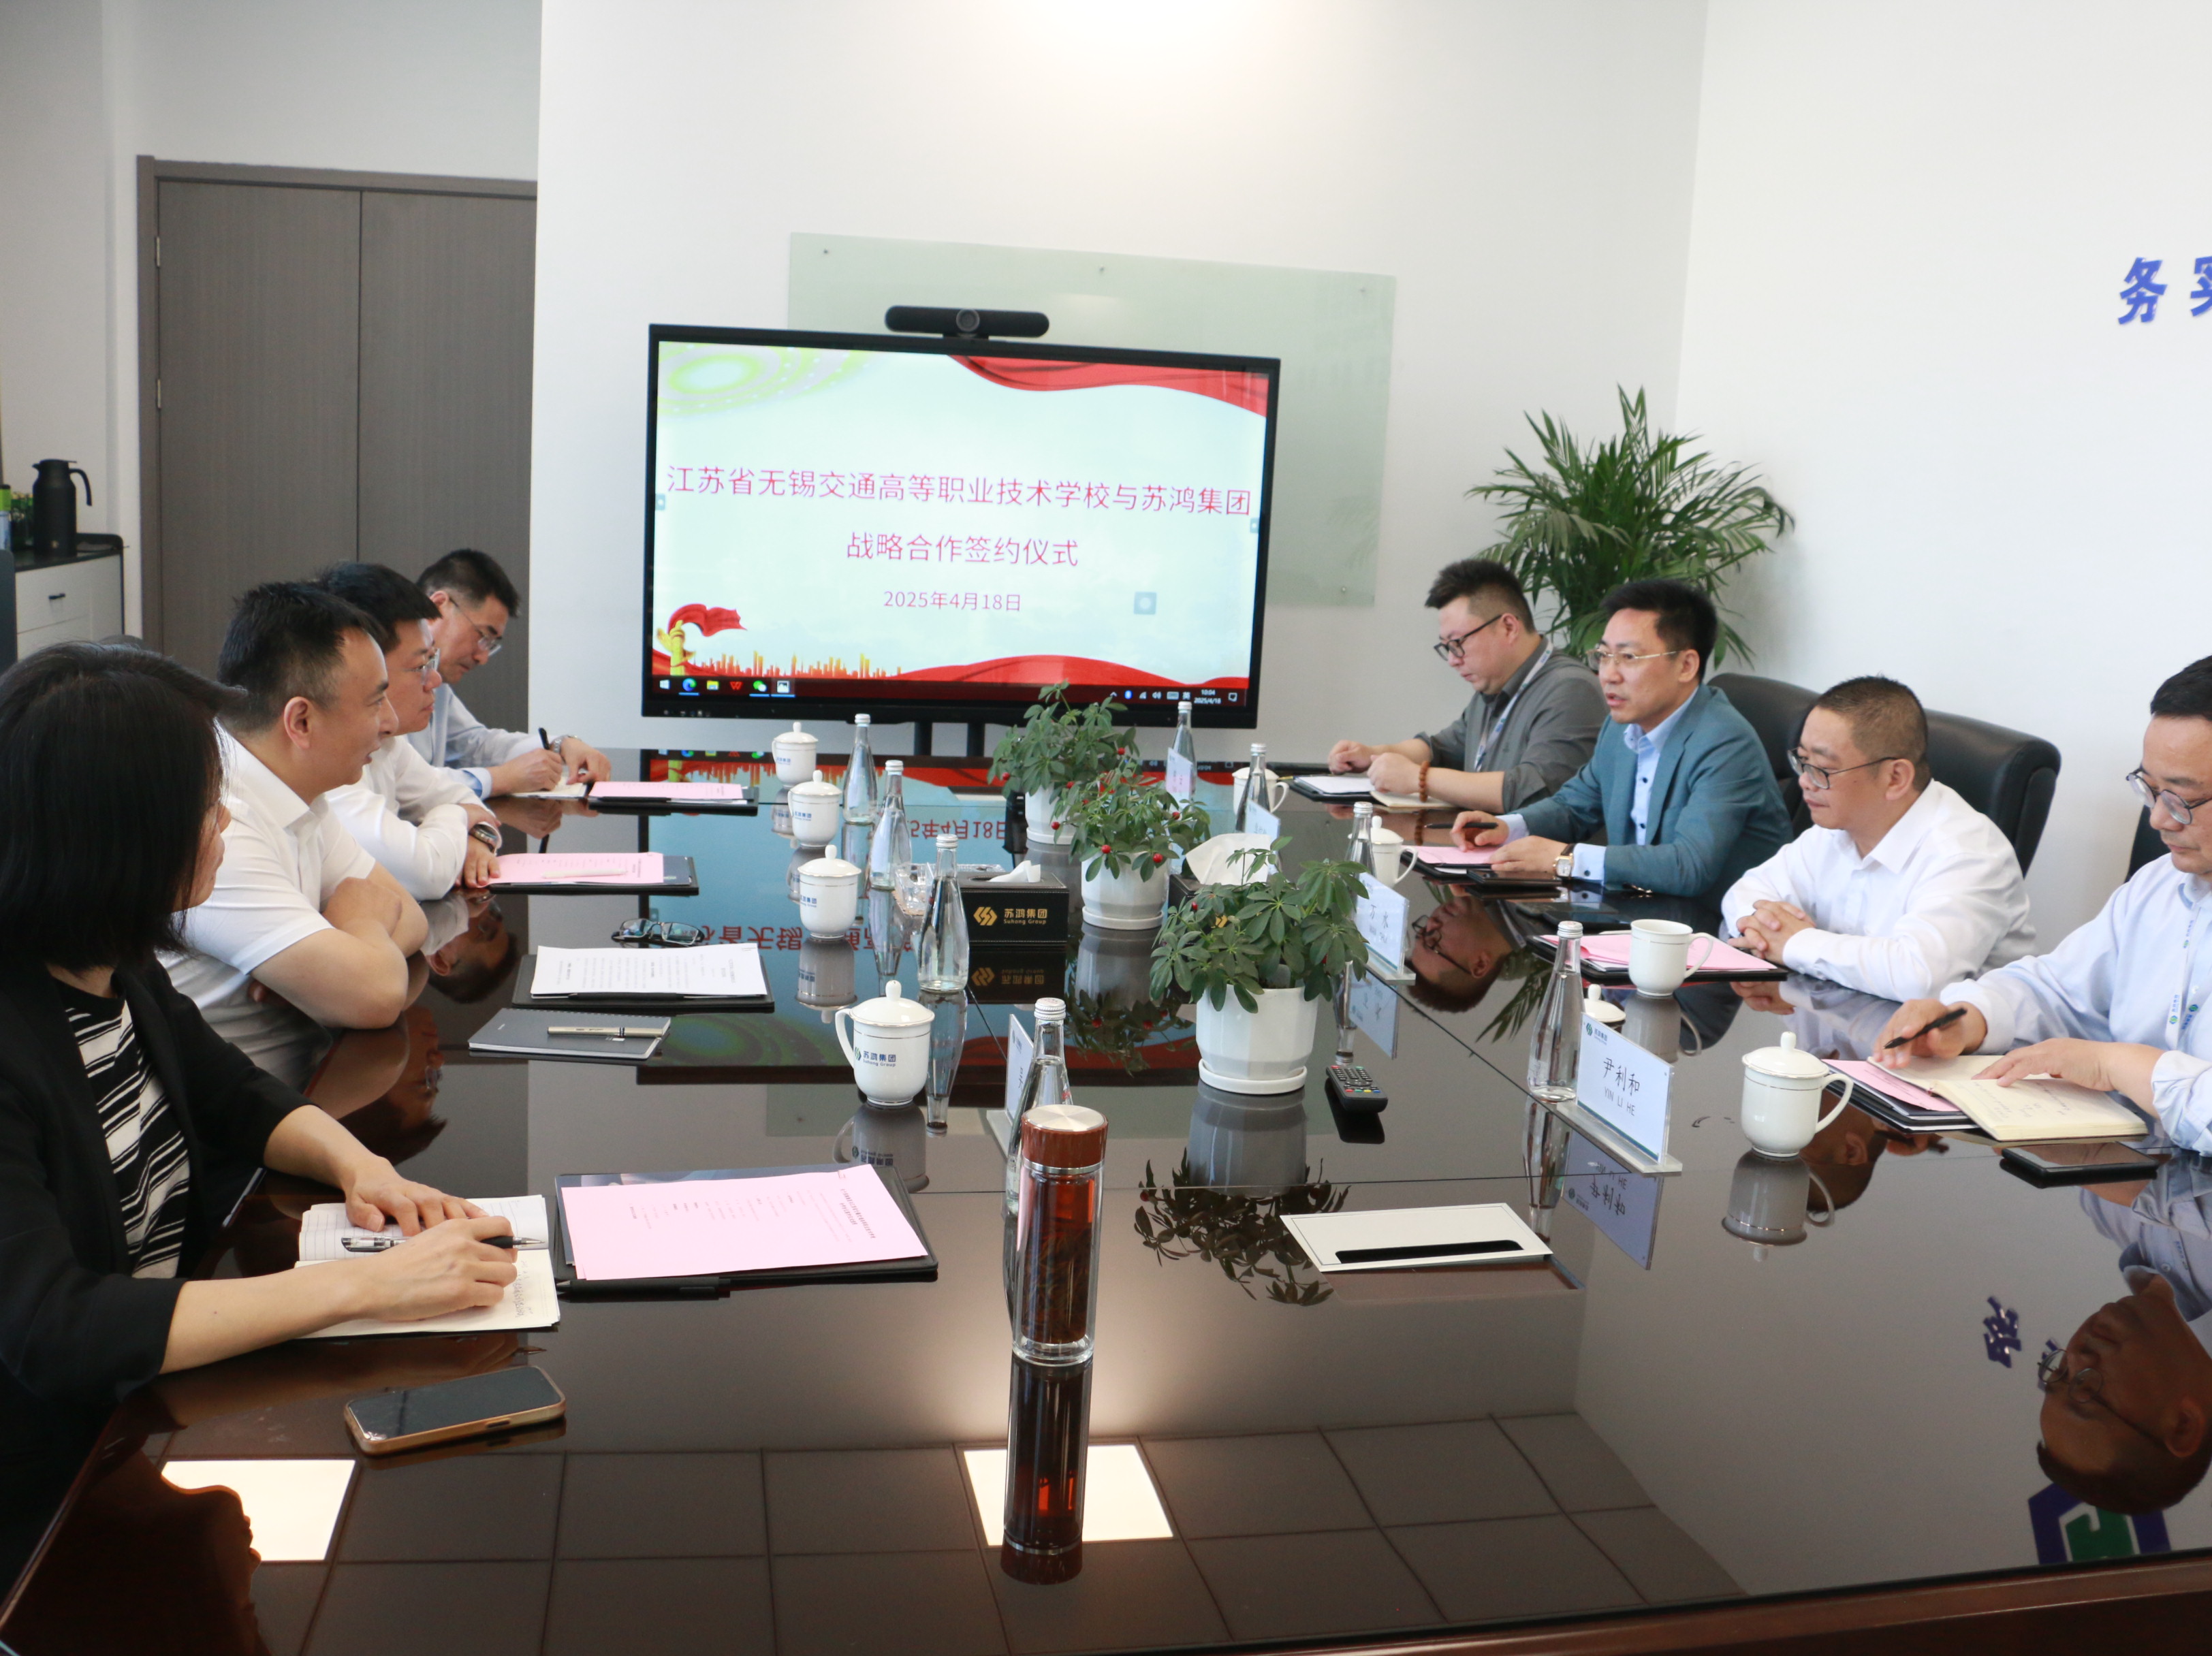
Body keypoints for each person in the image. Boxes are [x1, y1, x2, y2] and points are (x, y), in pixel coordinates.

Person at [0, 645, 522, 1486]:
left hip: (160, 1401)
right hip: (60, 1476)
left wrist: (362, 1166)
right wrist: (368, 1285)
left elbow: (234, 1091)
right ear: (117, 834)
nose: (225, 823)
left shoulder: (117, 964)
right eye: (206, 805)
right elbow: (56, 1326)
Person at [1878, 656, 2212, 1152]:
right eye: (2151, 790)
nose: (2158, 820)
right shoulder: (2159, 886)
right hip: (2138, 1173)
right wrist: (1969, 1018)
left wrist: (2115, 1063)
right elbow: (2058, 988)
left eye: (2182, 799)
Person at [161, 584, 430, 1085]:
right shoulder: (218, 822)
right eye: (376, 703)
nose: (391, 723)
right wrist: (353, 945)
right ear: (301, 720)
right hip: (222, 1123)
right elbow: (376, 995)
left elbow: (411, 919)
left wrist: (336, 959)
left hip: (300, 1092)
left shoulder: (299, 788)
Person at [1449, 578, 1792, 906]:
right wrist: (1508, 827)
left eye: (1628, 658)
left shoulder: (1725, 742)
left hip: (1718, 930)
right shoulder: (1621, 726)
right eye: (1603, 655)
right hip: (1638, 913)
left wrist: (1565, 858)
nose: (1609, 675)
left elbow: (1689, 867)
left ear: (1686, 665)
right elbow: (1575, 805)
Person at [1721, 676, 2034, 1000]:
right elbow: (1747, 891)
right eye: (1802, 761)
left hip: (1942, 1031)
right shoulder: (1835, 829)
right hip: (1842, 1015)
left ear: (1895, 777)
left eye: (1822, 769)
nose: (1804, 781)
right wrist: (1764, 930)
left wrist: (1794, 943)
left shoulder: (1968, 855)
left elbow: (1918, 977)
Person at [1328, 558, 1603, 812]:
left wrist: (1418, 778)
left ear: (1508, 627)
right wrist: (1373, 755)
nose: (1452, 660)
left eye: (1458, 643)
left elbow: (1535, 792)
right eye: (1446, 647)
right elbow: (1441, 750)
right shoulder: (1494, 685)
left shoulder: (1571, 690)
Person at [317, 562, 503, 899]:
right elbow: (425, 875)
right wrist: (457, 816)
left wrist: (479, 837)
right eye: (421, 665)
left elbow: (469, 802)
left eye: (433, 661)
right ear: (365, 664)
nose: (435, 680)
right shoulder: (328, 753)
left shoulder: (388, 740)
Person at [2038, 1163, 2212, 1515]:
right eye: (2088, 1390)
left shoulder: (2110, 1216)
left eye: (2061, 1373)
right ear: (2183, 1425)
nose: (2079, 1356)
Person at [412, 548, 610, 797]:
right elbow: (406, 785)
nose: (482, 657)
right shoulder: (386, 675)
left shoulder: (436, 681)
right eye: (483, 636)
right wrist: (502, 779)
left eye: (490, 645)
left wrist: (560, 744)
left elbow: (474, 745)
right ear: (439, 606)